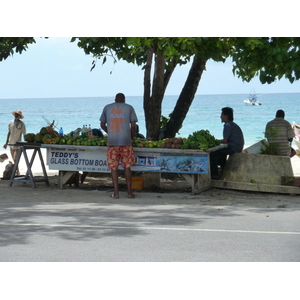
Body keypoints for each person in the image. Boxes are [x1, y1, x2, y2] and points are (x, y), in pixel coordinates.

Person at [100, 93, 138, 198]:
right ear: (124, 99)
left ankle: (116, 193)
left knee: (113, 167)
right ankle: (129, 193)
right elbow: (133, 125)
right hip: (126, 142)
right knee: (127, 167)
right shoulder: (129, 107)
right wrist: (132, 136)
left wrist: (109, 132)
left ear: (115, 99)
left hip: (112, 142)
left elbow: (102, 124)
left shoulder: (107, 107)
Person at [210, 107, 244, 178]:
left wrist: (214, 141)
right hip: (237, 146)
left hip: (233, 147)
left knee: (212, 153)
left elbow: (225, 141)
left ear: (226, 116)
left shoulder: (227, 125)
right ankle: (223, 171)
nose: (220, 116)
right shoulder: (232, 124)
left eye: (222, 114)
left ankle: (214, 174)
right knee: (221, 153)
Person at [3, 110, 26, 175]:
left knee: (16, 159)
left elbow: (24, 134)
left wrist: (25, 144)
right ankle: (16, 171)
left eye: (18, 115)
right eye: (15, 114)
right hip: (11, 143)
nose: (16, 116)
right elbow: (9, 133)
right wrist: (6, 143)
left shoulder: (22, 124)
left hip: (18, 144)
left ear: (20, 116)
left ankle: (17, 172)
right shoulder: (10, 122)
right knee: (14, 159)